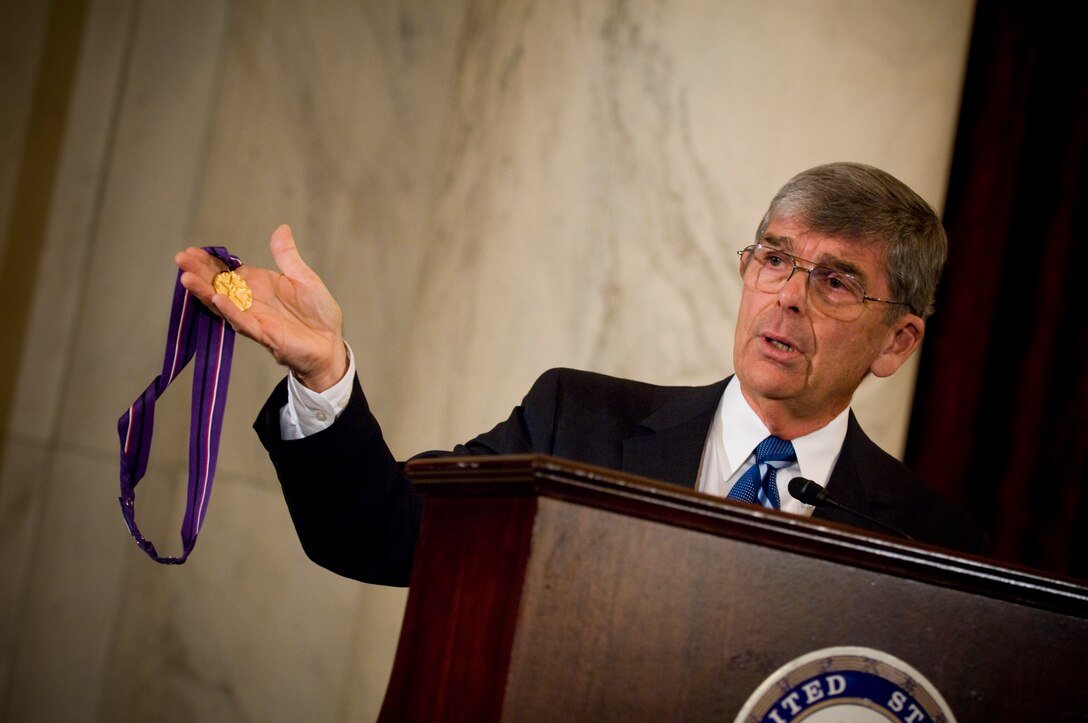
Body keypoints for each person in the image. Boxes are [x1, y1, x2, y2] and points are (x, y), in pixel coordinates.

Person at [176, 162, 989, 586]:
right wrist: (324, 372)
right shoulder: (581, 421)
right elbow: (382, 532)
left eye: (836, 281)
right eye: (775, 258)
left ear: (897, 342)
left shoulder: (933, 542)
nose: (787, 298)